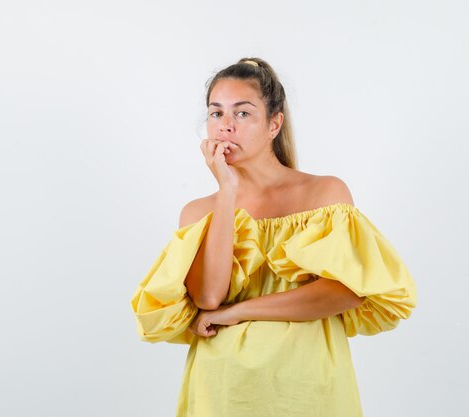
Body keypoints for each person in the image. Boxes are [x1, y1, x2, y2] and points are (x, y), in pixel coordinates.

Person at [130, 57, 418, 417]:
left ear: (274, 124)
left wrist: (239, 311)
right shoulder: (198, 212)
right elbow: (208, 295)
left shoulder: (324, 194)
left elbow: (345, 292)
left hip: (308, 390)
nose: (226, 127)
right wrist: (227, 191)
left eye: (243, 113)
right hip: (222, 392)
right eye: (216, 113)